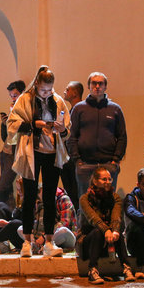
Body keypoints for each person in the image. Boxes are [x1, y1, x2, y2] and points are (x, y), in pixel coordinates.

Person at [6, 65, 70, 258]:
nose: (46, 93)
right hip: (31, 152)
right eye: (43, 90)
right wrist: (36, 124)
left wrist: (61, 129)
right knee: (29, 198)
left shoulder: (57, 101)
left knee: (50, 198)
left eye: (50, 90)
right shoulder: (25, 99)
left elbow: (67, 129)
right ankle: (27, 241)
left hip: (52, 152)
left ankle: (49, 242)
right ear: (36, 85)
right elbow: (13, 123)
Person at [67, 72, 127, 198]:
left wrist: (115, 160)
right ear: (89, 86)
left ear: (105, 87)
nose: (97, 86)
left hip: (108, 165)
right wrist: (77, 160)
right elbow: (71, 136)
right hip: (84, 164)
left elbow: (122, 137)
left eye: (101, 83)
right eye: (94, 83)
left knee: (108, 202)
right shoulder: (79, 109)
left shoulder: (115, 109)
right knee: (84, 204)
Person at [78, 167, 136, 284]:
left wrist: (114, 231)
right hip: (88, 243)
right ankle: (92, 270)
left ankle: (126, 268)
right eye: (104, 179)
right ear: (95, 181)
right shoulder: (85, 199)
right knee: (98, 231)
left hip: (108, 240)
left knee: (118, 234)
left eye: (109, 179)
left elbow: (116, 217)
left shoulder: (115, 198)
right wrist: (106, 230)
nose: (108, 182)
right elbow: (93, 219)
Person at [0, 80, 25, 206]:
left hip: (15, 152)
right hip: (6, 151)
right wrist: (4, 124)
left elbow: (20, 131)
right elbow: (5, 137)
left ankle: (7, 210)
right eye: (11, 95)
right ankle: (6, 213)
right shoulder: (12, 107)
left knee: (0, 188)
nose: (13, 98)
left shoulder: (24, 109)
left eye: (15, 95)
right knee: (6, 190)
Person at [61, 81, 83, 209]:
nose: (65, 91)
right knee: (70, 191)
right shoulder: (69, 111)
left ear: (75, 93)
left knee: (76, 190)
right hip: (66, 157)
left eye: (67, 89)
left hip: (75, 157)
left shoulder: (81, 109)